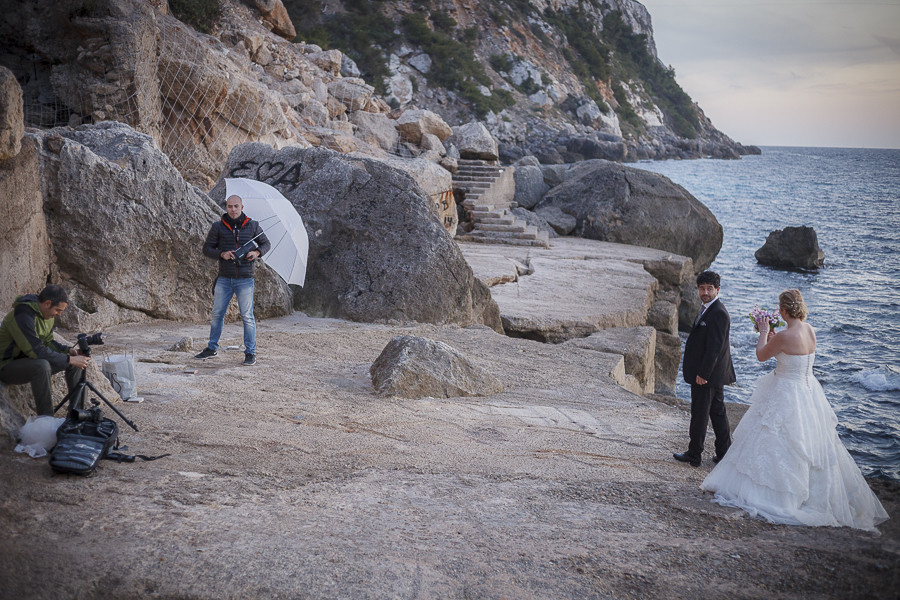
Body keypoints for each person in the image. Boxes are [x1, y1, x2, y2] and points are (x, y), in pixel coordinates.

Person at [701, 289, 889, 530]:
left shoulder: (783, 336)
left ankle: (776, 495)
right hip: (808, 391)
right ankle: (810, 493)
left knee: (775, 440)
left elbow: (761, 355)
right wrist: (775, 337)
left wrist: (764, 332)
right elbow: (793, 352)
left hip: (785, 392)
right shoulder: (810, 330)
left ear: (782, 310)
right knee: (806, 444)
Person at [195, 194, 270, 366]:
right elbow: (206, 249)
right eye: (230, 206)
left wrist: (256, 253)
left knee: (247, 317)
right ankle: (212, 348)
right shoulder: (218, 227)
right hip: (224, 278)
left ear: (242, 207)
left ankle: (250, 352)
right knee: (217, 315)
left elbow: (266, 244)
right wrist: (221, 254)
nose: (233, 209)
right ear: (226, 207)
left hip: (245, 279)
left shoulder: (253, 226)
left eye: (236, 206)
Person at [674, 270, 736, 467]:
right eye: (702, 288)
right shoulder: (707, 308)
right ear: (698, 289)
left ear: (717, 289)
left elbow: (715, 348)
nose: (705, 292)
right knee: (717, 412)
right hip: (714, 374)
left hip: (708, 374)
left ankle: (694, 454)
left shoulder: (718, 313)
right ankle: (725, 453)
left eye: (710, 289)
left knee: (700, 414)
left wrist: (703, 374)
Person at [0, 285, 90, 415]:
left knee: (76, 365)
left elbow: (47, 342)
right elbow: (35, 350)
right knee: (42, 366)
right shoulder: (22, 315)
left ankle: (78, 414)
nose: (59, 314)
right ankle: (46, 420)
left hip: (27, 361)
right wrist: (68, 359)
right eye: (58, 310)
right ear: (47, 304)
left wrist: (68, 351)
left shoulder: (47, 316)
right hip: (6, 366)